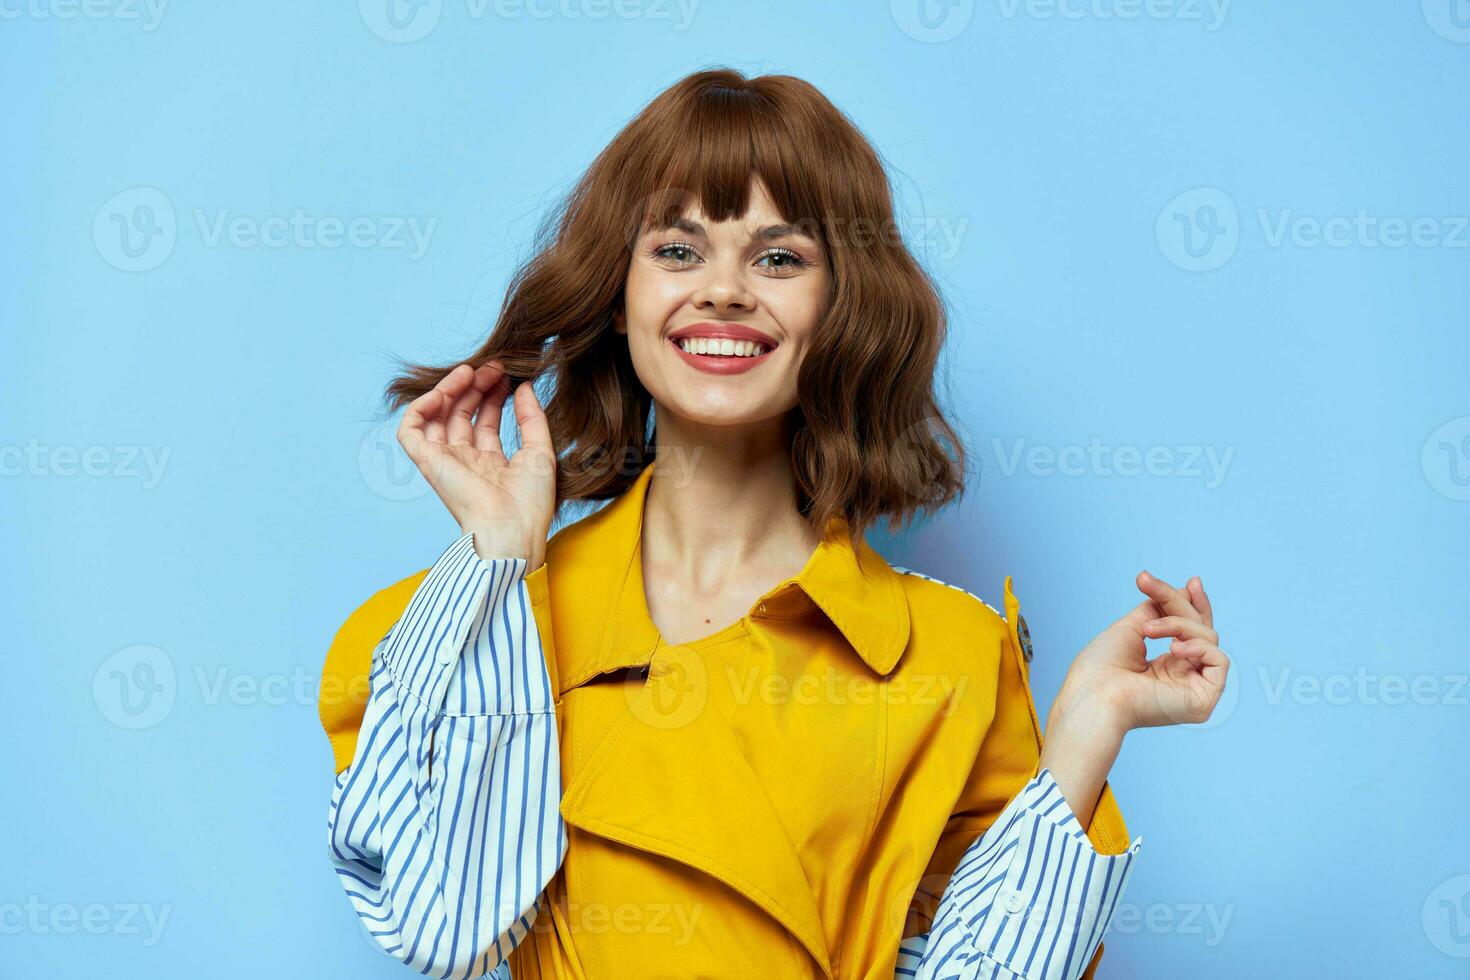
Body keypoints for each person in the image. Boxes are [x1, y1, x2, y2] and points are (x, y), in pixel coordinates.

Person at [318, 68, 1229, 980]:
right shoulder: (444, 633)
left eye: (779, 258)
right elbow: (453, 934)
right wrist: (499, 563)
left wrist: (1085, 730)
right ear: (616, 295)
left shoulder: (951, 658)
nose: (723, 291)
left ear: (843, 306)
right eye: (677, 251)